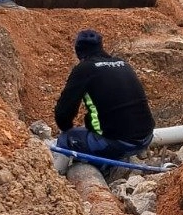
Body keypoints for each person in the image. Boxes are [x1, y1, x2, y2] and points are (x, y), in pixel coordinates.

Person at [52, 29, 156, 173]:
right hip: (146, 137)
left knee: (66, 139)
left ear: (78, 51)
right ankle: (111, 165)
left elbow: (63, 115)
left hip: (120, 143)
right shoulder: (122, 63)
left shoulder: (84, 69)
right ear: (101, 46)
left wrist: (68, 129)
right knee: (100, 129)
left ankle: (56, 178)